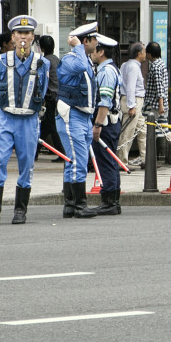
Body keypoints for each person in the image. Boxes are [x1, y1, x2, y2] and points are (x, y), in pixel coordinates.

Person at [0, 16, 48, 225]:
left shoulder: (42, 63)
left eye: (27, 33)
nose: (23, 37)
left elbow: (43, 91)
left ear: (33, 37)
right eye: (19, 33)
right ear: (12, 37)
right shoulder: (0, 61)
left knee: (26, 164)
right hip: (6, 117)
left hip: (29, 119)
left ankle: (20, 210)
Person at [55, 23, 102, 219]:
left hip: (83, 116)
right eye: (94, 39)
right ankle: (80, 206)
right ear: (85, 41)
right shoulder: (71, 59)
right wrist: (76, 47)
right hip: (72, 115)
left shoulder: (85, 60)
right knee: (78, 161)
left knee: (73, 161)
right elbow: (81, 66)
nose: (97, 43)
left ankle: (70, 206)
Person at [88, 31, 124, 216]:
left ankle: (109, 202)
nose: (91, 53)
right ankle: (113, 201)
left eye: (94, 49)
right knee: (110, 160)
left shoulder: (106, 71)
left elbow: (104, 101)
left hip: (106, 122)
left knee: (106, 162)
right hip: (110, 122)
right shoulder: (110, 69)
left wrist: (97, 125)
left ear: (101, 52)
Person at [118, 42, 146, 163]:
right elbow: (130, 87)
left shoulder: (125, 65)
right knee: (128, 133)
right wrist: (132, 106)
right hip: (133, 101)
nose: (145, 54)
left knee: (143, 130)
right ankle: (121, 161)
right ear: (139, 54)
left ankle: (146, 159)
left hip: (131, 100)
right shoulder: (134, 67)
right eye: (144, 51)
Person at [38, 35, 63, 163]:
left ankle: (62, 152)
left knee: (51, 126)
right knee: (46, 126)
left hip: (50, 98)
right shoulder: (58, 60)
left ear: (42, 48)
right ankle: (35, 152)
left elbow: (41, 81)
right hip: (59, 97)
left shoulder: (43, 61)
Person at [143, 41, 168, 163]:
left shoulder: (156, 67)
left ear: (149, 53)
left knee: (149, 130)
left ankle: (149, 158)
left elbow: (159, 87)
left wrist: (160, 105)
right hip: (158, 104)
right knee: (164, 130)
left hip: (154, 105)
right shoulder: (161, 64)